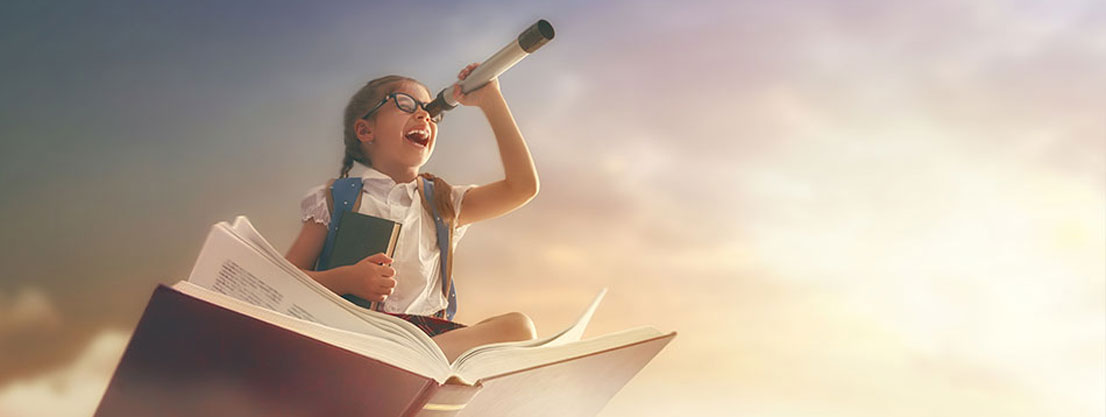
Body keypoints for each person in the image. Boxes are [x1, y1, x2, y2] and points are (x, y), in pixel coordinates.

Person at [284, 64, 540, 362]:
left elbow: (523, 187)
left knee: (519, 327)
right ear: (366, 130)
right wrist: (345, 279)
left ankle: (407, 364)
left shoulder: (444, 202)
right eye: (406, 105)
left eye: (431, 113)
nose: (424, 116)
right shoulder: (333, 198)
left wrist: (491, 99)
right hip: (352, 333)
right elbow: (284, 279)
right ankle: (397, 364)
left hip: (423, 341)